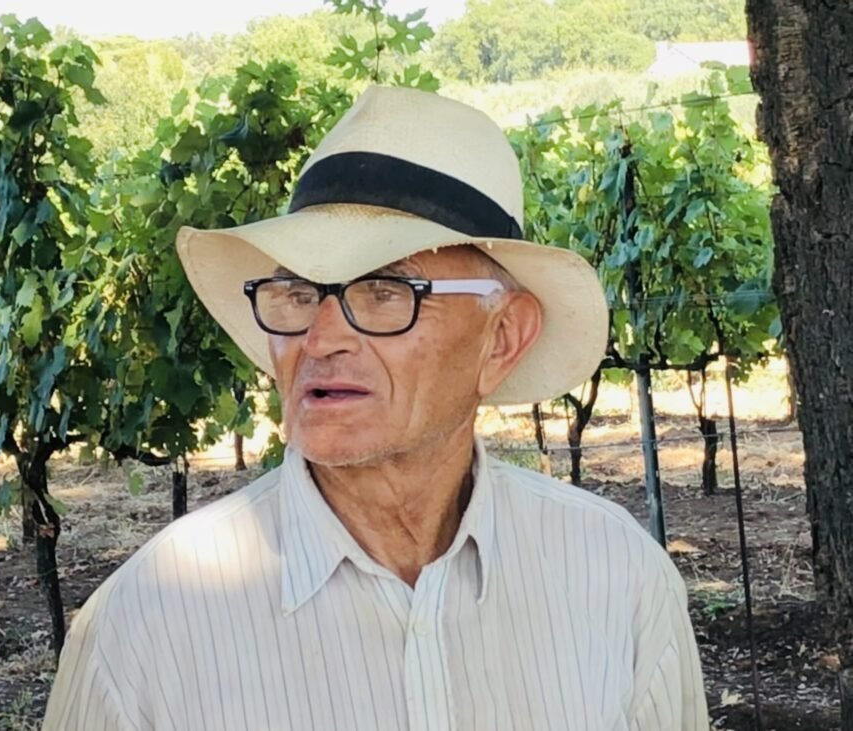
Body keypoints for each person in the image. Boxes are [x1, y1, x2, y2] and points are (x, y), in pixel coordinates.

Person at [42, 86, 708, 730]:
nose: (321, 338)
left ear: (501, 338)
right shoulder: (144, 628)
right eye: (297, 292)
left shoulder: (616, 577)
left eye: (387, 291)